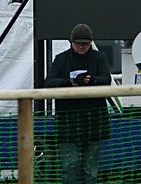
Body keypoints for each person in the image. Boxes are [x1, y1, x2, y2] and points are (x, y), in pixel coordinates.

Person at [43, 23, 111, 184]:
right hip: (68, 122)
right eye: (78, 43)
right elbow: (48, 82)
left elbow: (106, 79)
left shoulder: (99, 57)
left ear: (90, 43)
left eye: (85, 44)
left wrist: (91, 80)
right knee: (69, 165)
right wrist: (68, 83)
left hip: (94, 121)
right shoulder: (60, 59)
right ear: (71, 42)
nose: (81, 47)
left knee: (91, 168)